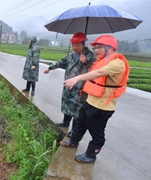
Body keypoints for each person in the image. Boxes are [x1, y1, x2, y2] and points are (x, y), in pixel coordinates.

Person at [60, 34, 130, 164]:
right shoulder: (101, 60)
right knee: (80, 123)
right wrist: (84, 63)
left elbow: (98, 73)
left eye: (99, 48)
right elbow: (91, 71)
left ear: (110, 48)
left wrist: (76, 78)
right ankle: (73, 141)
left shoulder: (117, 63)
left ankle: (91, 154)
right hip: (90, 101)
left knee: (97, 132)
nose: (96, 50)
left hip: (102, 106)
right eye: (95, 48)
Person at [44, 32, 97, 137]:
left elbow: (95, 71)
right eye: (73, 45)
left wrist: (86, 63)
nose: (75, 47)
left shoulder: (91, 56)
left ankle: (74, 130)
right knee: (67, 104)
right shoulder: (71, 55)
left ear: (83, 44)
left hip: (80, 88)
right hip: (68, 85)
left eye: (77, 45)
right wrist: (50, 68)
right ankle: (65, 122)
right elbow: (61, 62)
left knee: (77, 109)